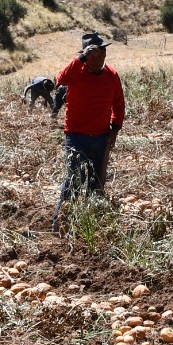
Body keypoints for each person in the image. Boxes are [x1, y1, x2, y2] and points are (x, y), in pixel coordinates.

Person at [52, 32, 124, 230]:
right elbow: (61, 79)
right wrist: (81, 57)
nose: (99, 58)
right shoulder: (77, 72)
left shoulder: (111, 75)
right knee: (74, 180)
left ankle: (90, 226)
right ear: (86, 56)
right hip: (76, 137)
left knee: (96, 184)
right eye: (94, 55)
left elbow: (118, 104)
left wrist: (115, 128)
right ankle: (60, 226)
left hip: (101, 137)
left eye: (102, 54)